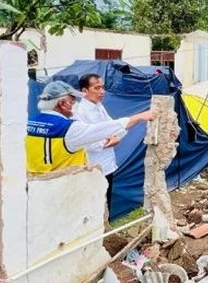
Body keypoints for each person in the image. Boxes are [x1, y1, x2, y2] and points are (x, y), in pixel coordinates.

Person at [25, 81, 156, 174]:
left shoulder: (29, 123)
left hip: (35, 183)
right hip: (63, 185)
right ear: (62, 104)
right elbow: (108, 128)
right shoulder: (68, 129)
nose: (74, 105)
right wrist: (141, 116)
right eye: (72, 101)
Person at [73, 74, 121, 207]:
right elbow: (86, 142)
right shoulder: (79, 112)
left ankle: (107, 227)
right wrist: (108, 141)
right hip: (93, 165)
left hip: (108, 163)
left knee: (106, 202)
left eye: (103, 88)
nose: (102, 92)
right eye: (97, 88)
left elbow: (113, 127)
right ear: (84, 91)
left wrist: (114, 136)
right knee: (94, 205)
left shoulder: (99, 106)